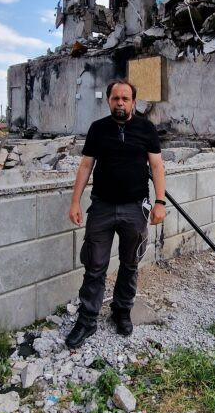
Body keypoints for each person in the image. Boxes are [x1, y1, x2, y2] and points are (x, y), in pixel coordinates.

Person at [65, 79, 166, 348]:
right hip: (102, 207)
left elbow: (156, 166)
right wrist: (75, 202)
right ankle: (87, 319)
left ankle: (121, 311)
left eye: (125, 98)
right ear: (108, 100)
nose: (120, 103)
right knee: (95, 265)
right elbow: (86, 166)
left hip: (135, 208)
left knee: (130, 263)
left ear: (133, 102)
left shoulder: (146, 129)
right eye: (115, 98)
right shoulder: (98, 129)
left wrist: (160, 201)